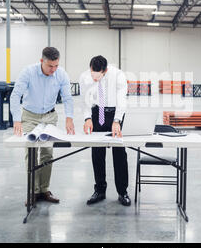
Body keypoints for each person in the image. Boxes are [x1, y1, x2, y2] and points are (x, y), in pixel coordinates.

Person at [10, 47, 75, 205]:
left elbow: (67, 98)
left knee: (47, 152)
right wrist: (17, 120)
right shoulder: (28, 72)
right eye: (50, 66)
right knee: (31, 151)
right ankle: (33, 191)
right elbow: (15, 95)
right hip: (29, 116)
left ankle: (44, 189)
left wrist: (69, 118)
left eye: (56, 66)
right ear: (41, 61)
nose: (53, 70)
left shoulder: (61, 74)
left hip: (49, 116)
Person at [79, 55, 131, 206]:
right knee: (97, 152)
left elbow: (122, 99)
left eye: (98, 77)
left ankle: (122, 192)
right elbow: (85, 100)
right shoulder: (85, 77)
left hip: (115, 112)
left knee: (119, 152)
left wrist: (117, 121)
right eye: (92, 76)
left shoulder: (118, 75)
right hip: (97, 113)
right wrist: (87, 118)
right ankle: (100, 190)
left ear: (105, 71)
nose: (95, 80)